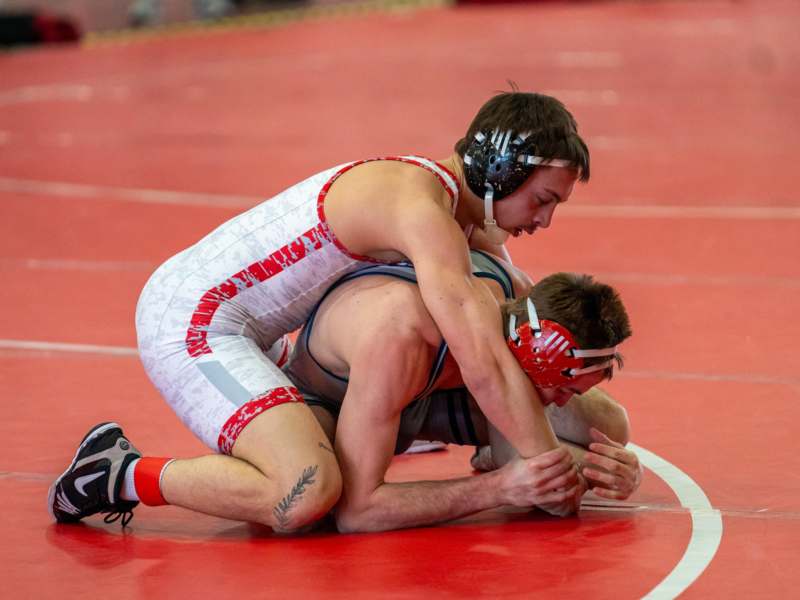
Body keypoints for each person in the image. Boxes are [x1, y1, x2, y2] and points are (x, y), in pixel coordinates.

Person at [48, 91, 590, 531]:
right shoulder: (419, 210)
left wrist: (598, 446)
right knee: (303, 490)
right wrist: (548, 471)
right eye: (542, 200)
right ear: (497, 172)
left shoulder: (456, 217)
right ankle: (117, 472)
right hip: (194, 322)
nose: (543, 222)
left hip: (269, 331)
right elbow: (485, 362)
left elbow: (524, 332)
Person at [281, 250, 636, 531]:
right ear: (538, 357)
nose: (562, 401)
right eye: (564, 388)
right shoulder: (401, 339)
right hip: (342, 400)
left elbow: (557, 490)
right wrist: (498, 488)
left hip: (430, 391)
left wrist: (607, 471)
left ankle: (497, 450)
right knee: (304, 507)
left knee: (610, 426)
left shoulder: (518, 300)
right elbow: (357, 514)